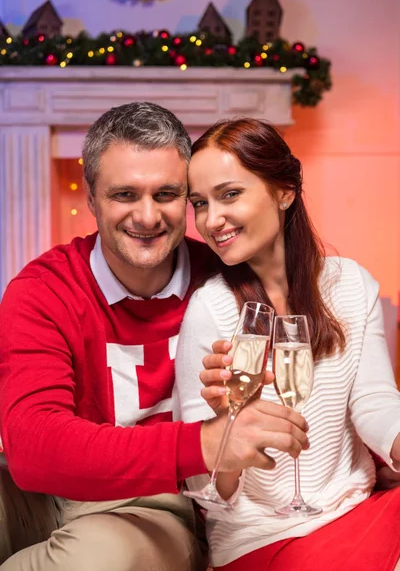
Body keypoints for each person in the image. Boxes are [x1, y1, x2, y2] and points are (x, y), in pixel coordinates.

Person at [0, 103, 310, 571]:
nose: (147, 217)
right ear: (91, 198)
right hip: (39, 493)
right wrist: (206, 443)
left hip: (153, 504)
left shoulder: (227, 281)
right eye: (124, 194)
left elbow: (316, 371)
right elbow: (31, 446)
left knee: (95, 561)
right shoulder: (44, 288)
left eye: (166, 194)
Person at [175, 118, 400, 571]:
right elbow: (205, 487)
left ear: (284, 191)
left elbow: (374, 401)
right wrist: (225, 428)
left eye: (229, 194)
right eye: (199, 203)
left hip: (357, 509)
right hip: (263, 538)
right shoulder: (210, 310)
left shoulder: (351, 285)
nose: (210, 220)